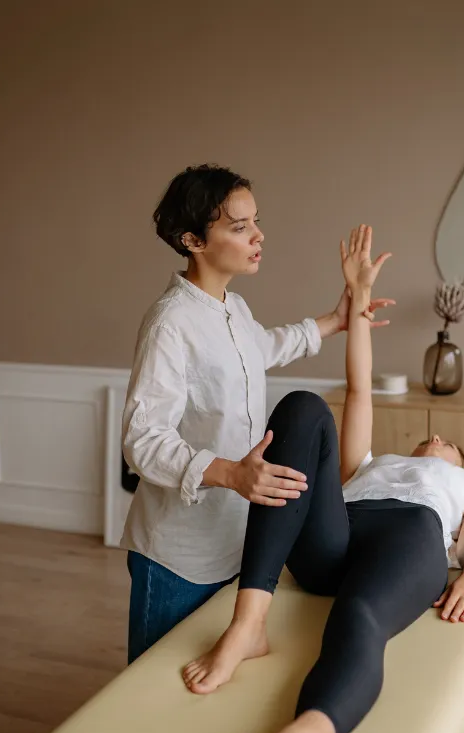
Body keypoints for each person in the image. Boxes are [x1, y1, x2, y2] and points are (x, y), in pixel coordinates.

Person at [182, 225, 464, 733]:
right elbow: (359, 390)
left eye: (449, 446)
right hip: (337, 536)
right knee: (303, 407)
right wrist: (358, 299)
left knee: (359, 617)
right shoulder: (369, 465)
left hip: (408, 539)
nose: (436, 440)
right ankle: (249, 623)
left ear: (461, 466)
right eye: (430, 441)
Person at [121, 166, 391, 664]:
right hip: (178, 556)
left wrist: (334, 321)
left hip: (235, 540)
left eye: (256, 221)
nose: (258, 235)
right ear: (193, 241)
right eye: (240, 227)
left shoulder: (234, 309)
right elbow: (142, 439)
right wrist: (230, 473)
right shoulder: (170, 324)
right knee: (153, 683)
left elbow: (260, 348)